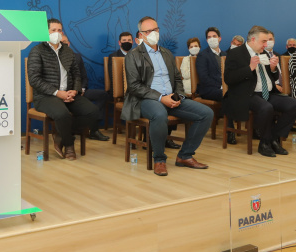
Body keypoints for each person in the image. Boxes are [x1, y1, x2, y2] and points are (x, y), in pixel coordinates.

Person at [122, 16, 213, 176]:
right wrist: (160, 98)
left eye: (155, 30)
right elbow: (134, 86)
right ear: (141, 35)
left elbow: (177, 78)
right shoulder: (133, 55)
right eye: (148, 31)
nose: (153, 33)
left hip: (171, 97)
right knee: (159, 113)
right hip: (146, 100)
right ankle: (159, 160)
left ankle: (185, 156)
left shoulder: (166, 53)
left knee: (206, 113)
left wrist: (177, 96)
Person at [27, 19, 104, 159]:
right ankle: (69, 145)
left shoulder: (67, 51)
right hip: (46, 97)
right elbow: (34, 79)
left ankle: (62, 136)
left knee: (92, 112)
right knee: (63, 114)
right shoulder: (37, 51)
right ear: (46, 32)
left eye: (59, 30)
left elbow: (76, 74)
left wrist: (75, 90)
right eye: (53, 30)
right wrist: (57, 93)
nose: (57, 33)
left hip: (69, 94)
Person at [222, 26, 296, 157]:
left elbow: (273, 77)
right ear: (253, 39)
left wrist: (273, 68)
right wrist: (250, 68)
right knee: (266, 107)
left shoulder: (264, 53)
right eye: (263, 41)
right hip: (246, 94)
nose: (266, 44)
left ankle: (273, 139)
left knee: (294, 105)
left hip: (268, 93)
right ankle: (264, 144)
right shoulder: (235, 53)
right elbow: (228, 79)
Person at [60, 34, 110, 140]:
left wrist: (81, 89)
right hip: (63, 93)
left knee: (103, 95)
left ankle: (94, 128)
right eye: (61, 42)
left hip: (80, 91)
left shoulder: (77, 57)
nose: (63, 44)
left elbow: (84, 77)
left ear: (69, 44)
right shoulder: (54, 58)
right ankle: (76, 128)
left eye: (65, 42)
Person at [197, 26, 234, 144]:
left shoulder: (225, 54)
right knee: (227, 94)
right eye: (209, 37)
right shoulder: (203, 55)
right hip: (208, 89)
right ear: (206, 40)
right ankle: (230, 130)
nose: (212, 39)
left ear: (220, 38)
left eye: (214, 36)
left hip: (224, 87)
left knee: (235, 93)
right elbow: (204, 78)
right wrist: (221, 85)